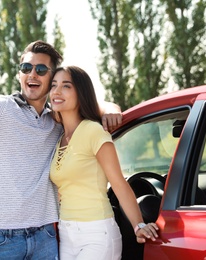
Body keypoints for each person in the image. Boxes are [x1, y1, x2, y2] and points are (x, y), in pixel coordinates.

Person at [0, 40, 122, 259]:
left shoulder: (56, 120)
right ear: (19, 74)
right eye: (26, 68)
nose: (32, 74)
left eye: (41, 70)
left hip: (45, 236)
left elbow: (89, 104)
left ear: (51, 79)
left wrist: (112, 109)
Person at [49, 66, 159, 260]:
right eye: (54, 85)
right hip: (67, 235)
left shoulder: (93, 131)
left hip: (97, 233)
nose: (56, 91)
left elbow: (118, 183)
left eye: (66, 86)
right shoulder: (60, 139)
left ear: (81, 93)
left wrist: (138, 225)